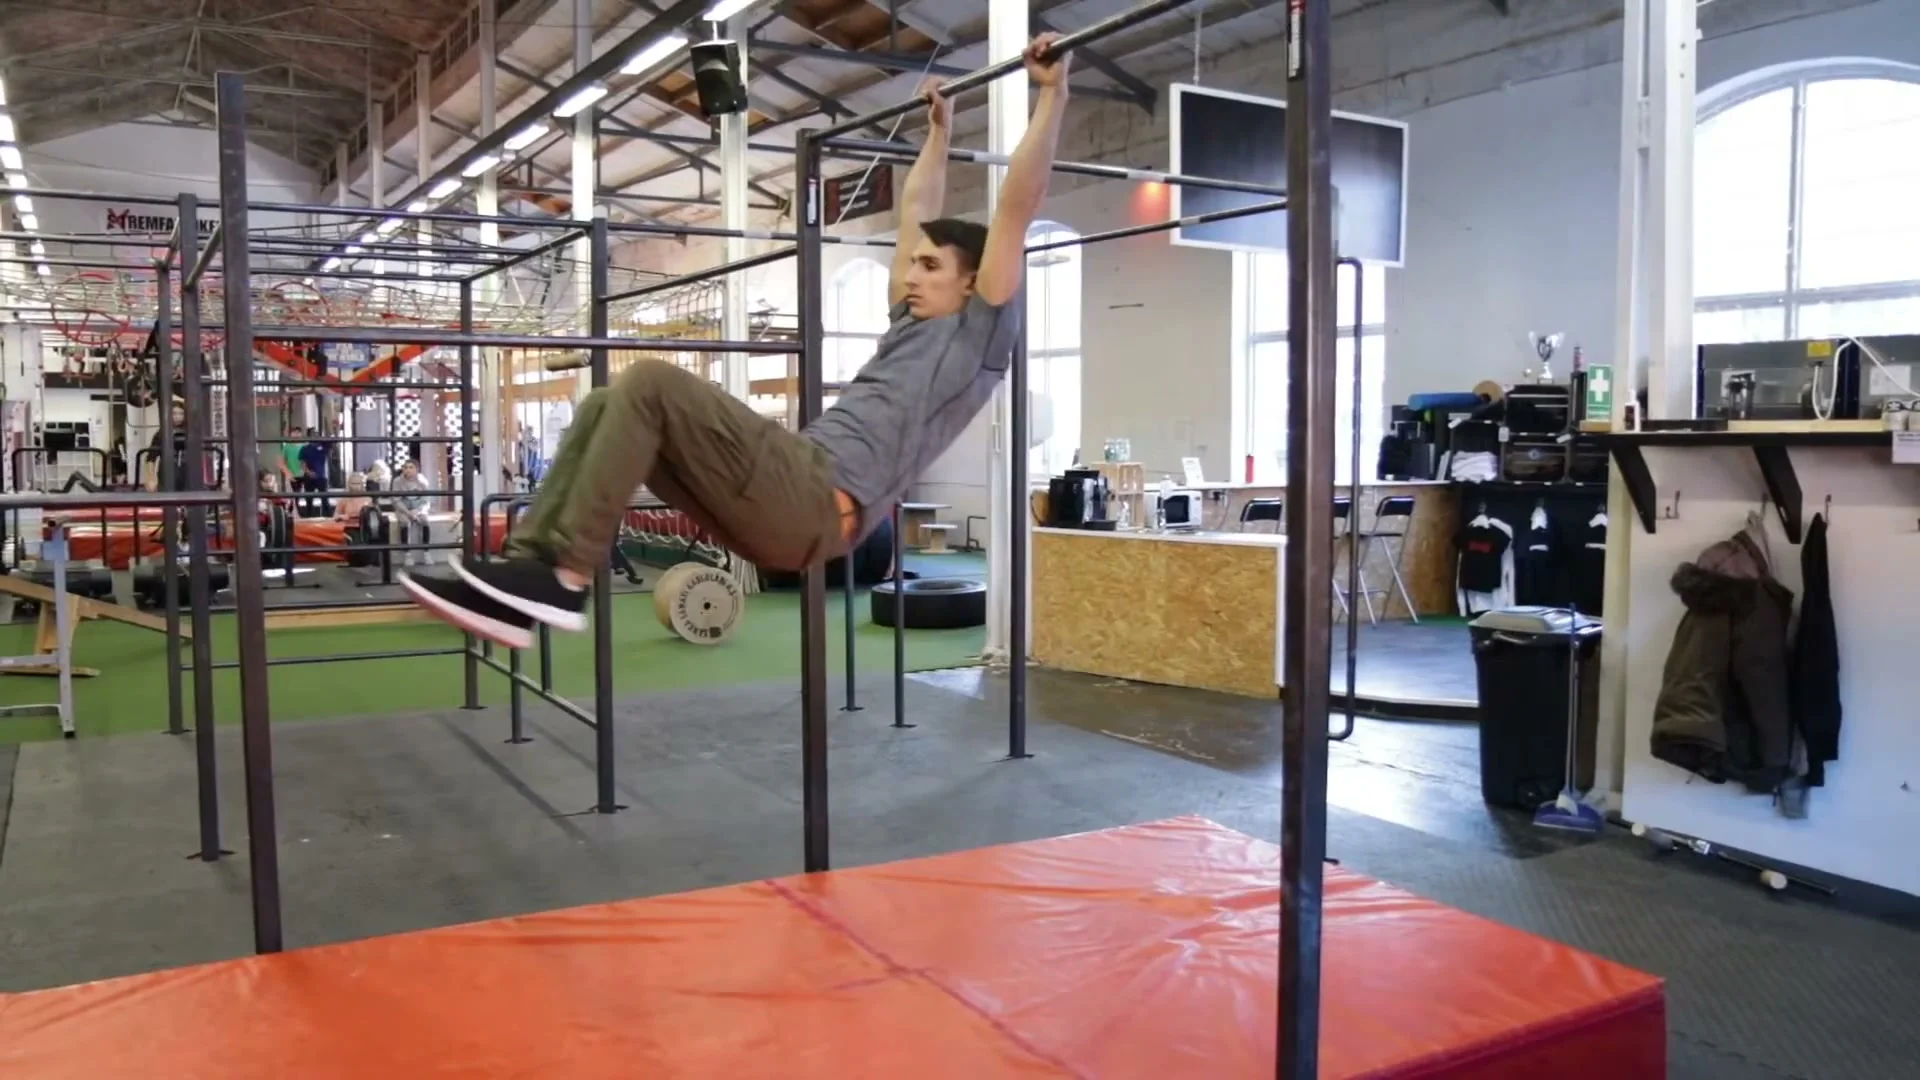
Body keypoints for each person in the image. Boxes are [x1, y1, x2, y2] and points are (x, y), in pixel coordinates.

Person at [402, 34, 1070, 648]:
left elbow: (1018, 204)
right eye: (913, 263)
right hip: (785, 501)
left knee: (649, 383)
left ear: (973, 281)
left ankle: (566, 577)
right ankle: (529, 573)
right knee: (607, 403)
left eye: (930, 266)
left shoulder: (979, 333)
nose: (912, 273)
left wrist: (1053, 92)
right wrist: (939, 133)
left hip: (817, 497)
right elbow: (916, 212)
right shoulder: (909, 321)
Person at [390, 459, 432, 567]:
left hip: (418, 507)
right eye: (405, 467)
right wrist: (408, 513)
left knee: (425, 521)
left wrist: (418, 511)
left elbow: (426, 500)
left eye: (411, 467)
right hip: (403, 508)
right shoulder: (397, 481)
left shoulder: (423, 481)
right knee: (404, 523)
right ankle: (407, 555)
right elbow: (396, 500)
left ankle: (426, 552)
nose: (408, 470)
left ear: (417, 469)